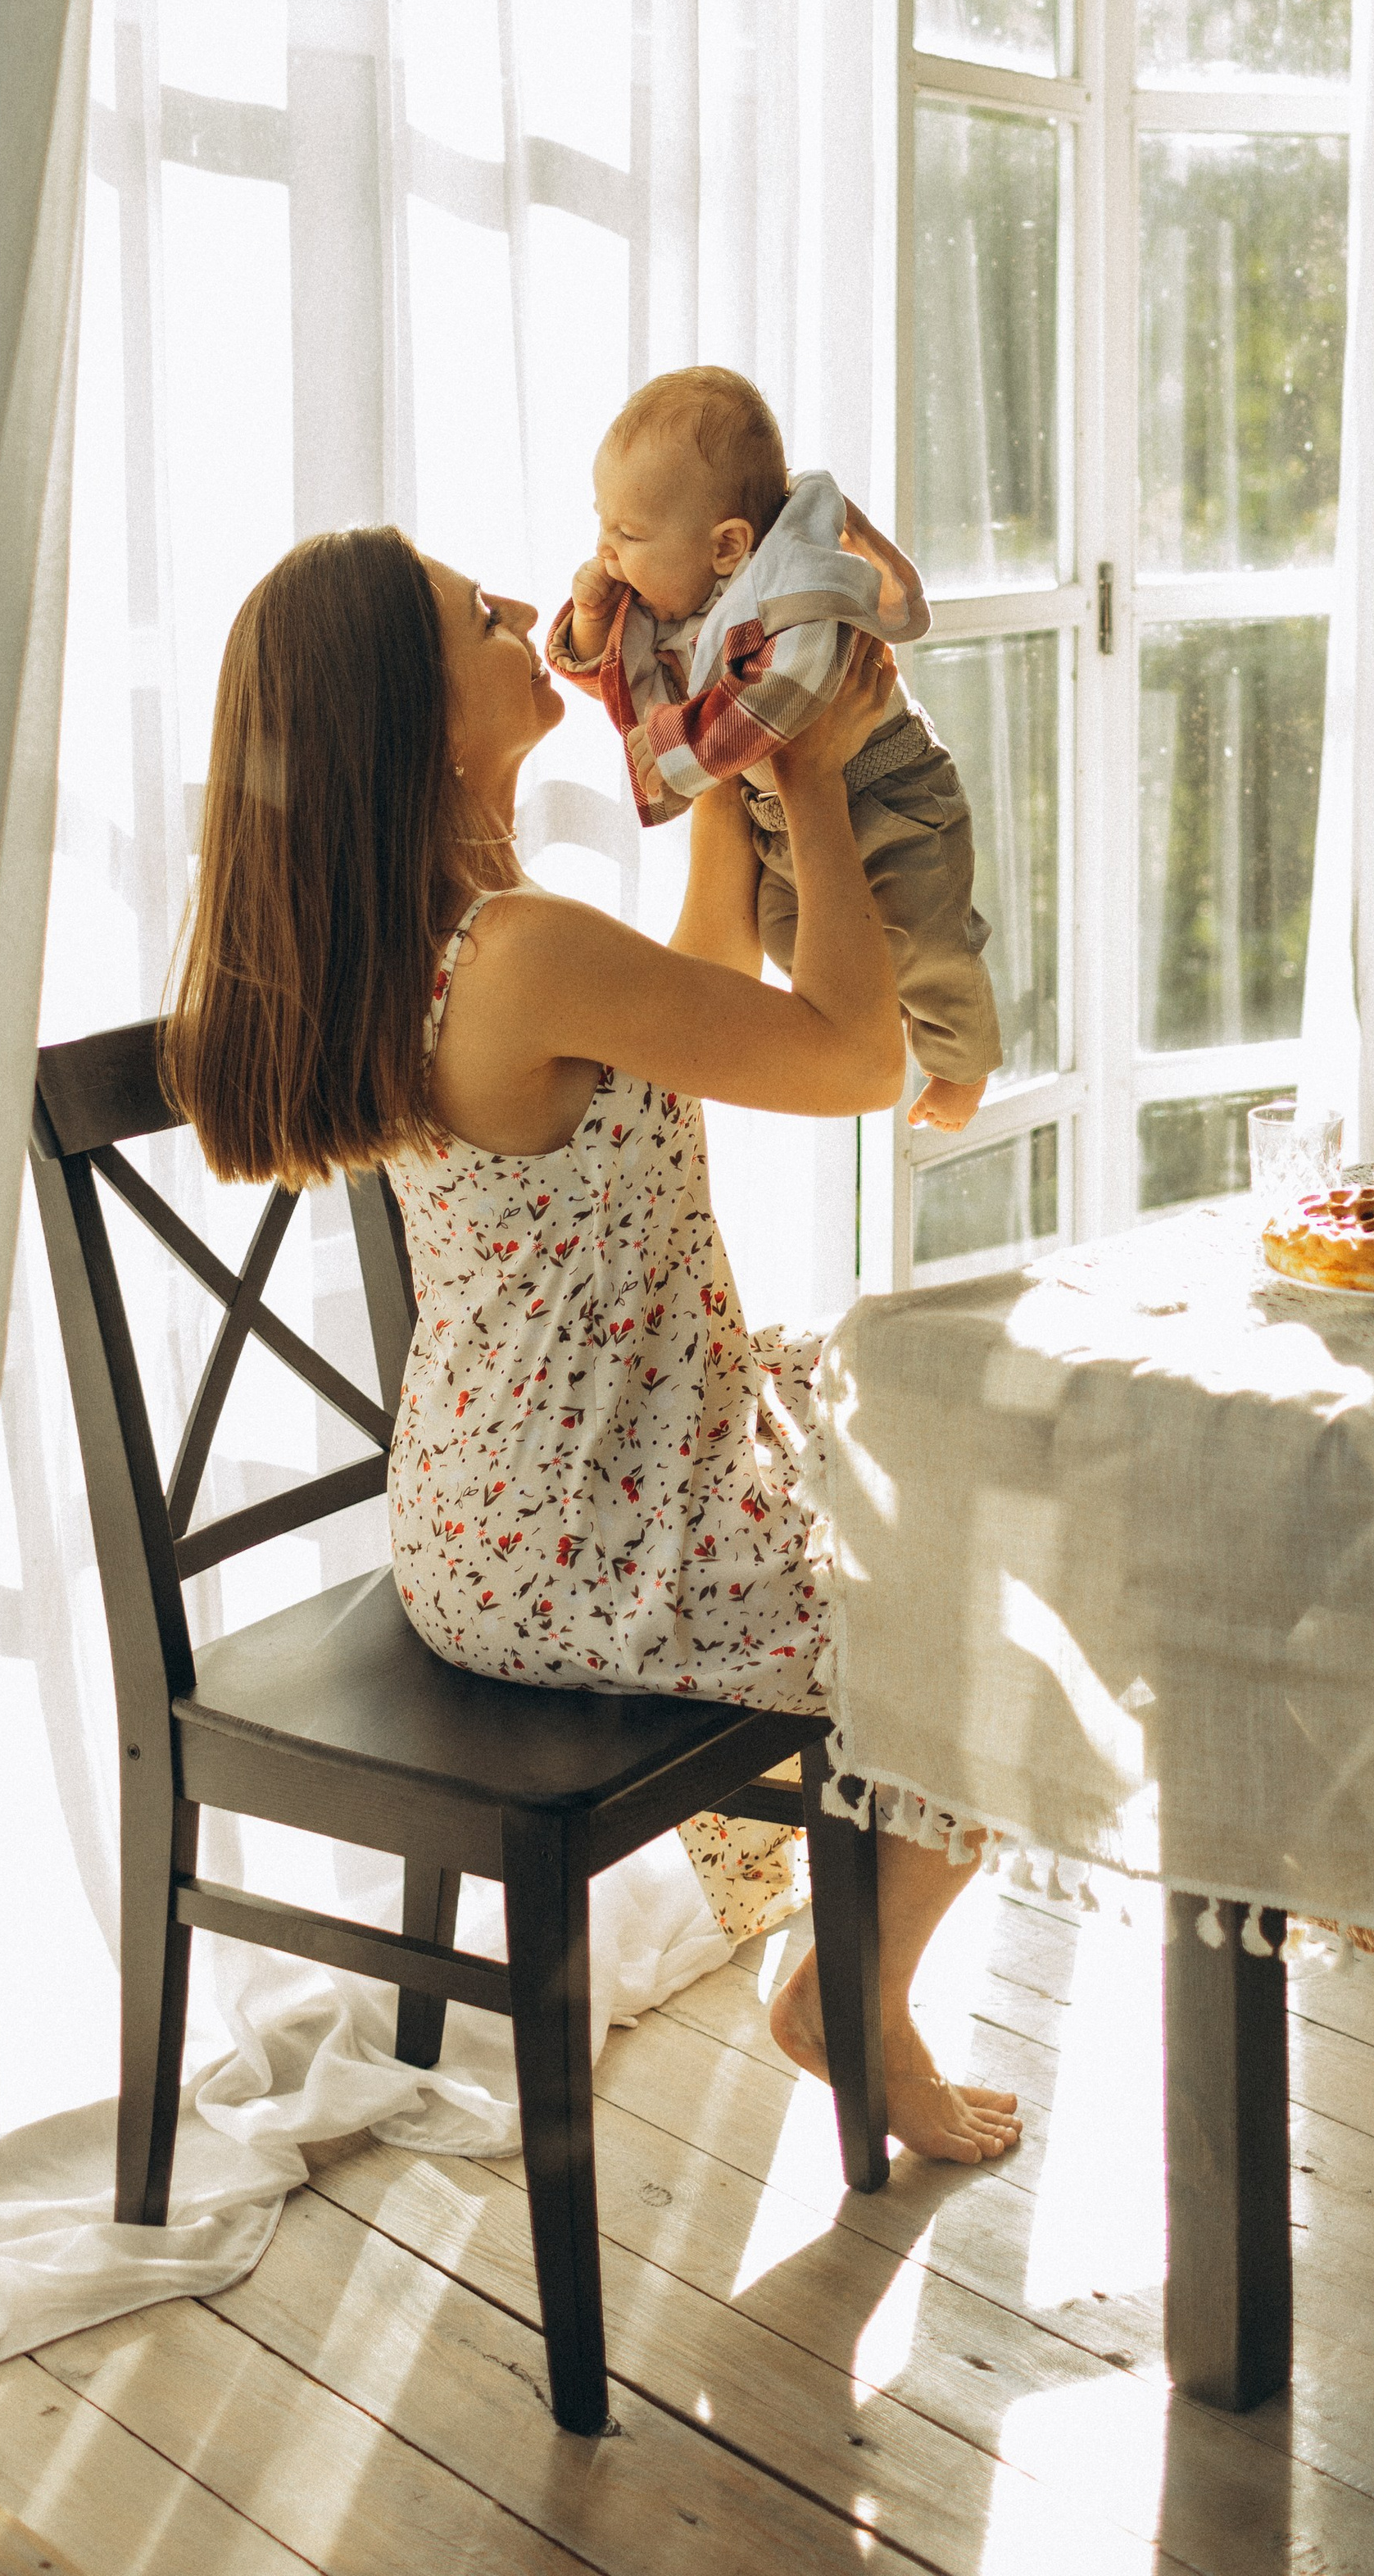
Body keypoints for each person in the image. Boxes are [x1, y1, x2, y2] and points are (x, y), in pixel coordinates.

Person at [162, 524, 1018, 2166]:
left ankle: (820, 1934)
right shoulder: (518, 952)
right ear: (416, 719)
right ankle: (847, 1997)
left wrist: (698, 747)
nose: (523, 612)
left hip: (503, 1510)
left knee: (930, 1460)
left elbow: (696, 991)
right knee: (993, 1609)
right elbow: (849, 1058)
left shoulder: (469, 944)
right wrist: (817, 771)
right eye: (479, 617)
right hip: (596, 1529)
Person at [551, 364, 999, 1133]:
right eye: (602, 526)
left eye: (627, 535)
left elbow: (772, 713)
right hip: (779, 809)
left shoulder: (793, 590)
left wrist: (687, 763)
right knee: (786, 934)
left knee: (928, 940)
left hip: (889, 792)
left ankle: (964, 1065)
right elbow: (630, 694)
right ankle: (879, 999)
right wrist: (594, 623)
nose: (607, 552)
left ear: (728, 545)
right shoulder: (679, 599)